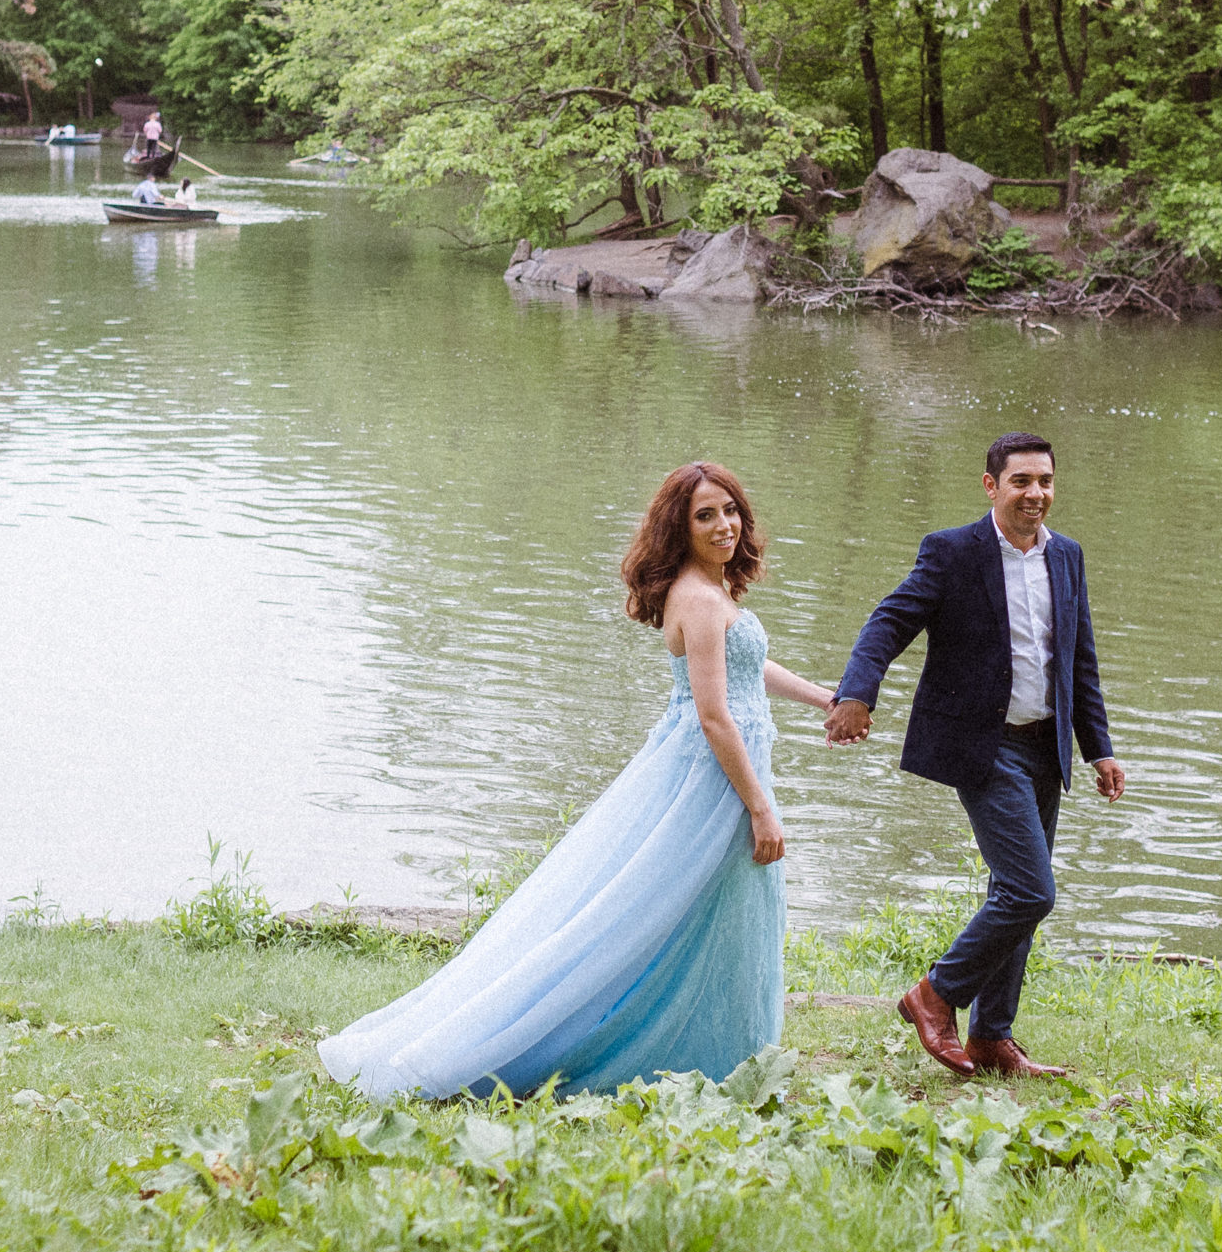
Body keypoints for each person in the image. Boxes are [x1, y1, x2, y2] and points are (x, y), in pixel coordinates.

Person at [320, 463, 834, 1098]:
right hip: (712, 783)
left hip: (719, 775)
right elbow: (713, 716)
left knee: (710, 911)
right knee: (646, 913)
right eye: (705, 515)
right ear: (681, 527)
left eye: (729, 510)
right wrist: (759, 807)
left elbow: (745, 664)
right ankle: (666, 1053)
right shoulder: (699, 599)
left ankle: (723, 1053)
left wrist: (823, 698)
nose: (724, 524)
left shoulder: (711, 592)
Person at [826, 432, 1124, 1079]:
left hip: (1046, 747)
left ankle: (993, 1037)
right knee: (1029, 890)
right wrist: (857, 693)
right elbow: (888, 621)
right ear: (991, 486)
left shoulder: (1067, 557)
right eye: (1021, 481)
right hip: (983, 747)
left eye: (1044, 481)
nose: (1035, 494)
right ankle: (935, 995)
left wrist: (1099, 749)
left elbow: (1082, 661)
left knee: (1012, 887)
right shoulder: (952, 553)